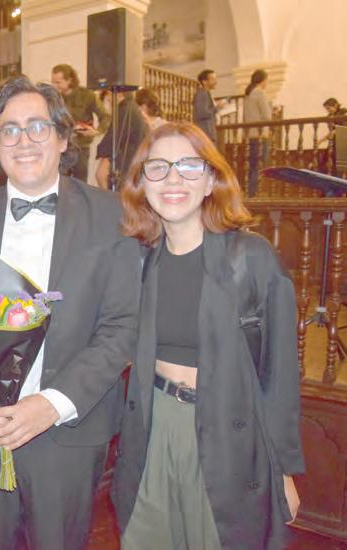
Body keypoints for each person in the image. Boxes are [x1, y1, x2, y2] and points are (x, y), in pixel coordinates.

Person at [0, 74, 140, 550]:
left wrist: (50, 404)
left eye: (38, 127)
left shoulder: (112, 216)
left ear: (64, 138)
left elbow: (121, 327)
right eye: (9, 130)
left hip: (67, 432)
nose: (24, 140)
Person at [113, 121, 304, 549]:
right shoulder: (140, 260)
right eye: (158, 167)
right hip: (153, 428)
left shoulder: (251, 257)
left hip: (226, 432)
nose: (173, 179)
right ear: (142, 184)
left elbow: (280, 376)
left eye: (189, 165)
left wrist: (283, 471)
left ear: (211, 180)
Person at [51, 63, 110, 182]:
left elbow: (105, 116)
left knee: (80, 183)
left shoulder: (87, 95)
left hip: (81, 148)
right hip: (61, 147)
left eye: (58, 82)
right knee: (60, 182)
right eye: (53, 82)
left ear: (69, 80)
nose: (54, 86)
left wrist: (97, 131)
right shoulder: (54, 98)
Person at [96, 91, 149, 191]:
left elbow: (112, 137)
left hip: (125, 163)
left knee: (106, 183)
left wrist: (104, 156)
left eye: (110, 97)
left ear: (119, 95)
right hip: (133, 161)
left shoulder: (124, 109)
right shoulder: (132, 108)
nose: (109, 100)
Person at [243, 69, 272, 197]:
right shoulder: (259, 92)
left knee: (253, 164)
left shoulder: (248, 94)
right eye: (267, 80)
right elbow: (267, 116)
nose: (267, 83)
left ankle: (251, 192)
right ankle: (256, 192)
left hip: (251, 133)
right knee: (260, 163)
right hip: (260, 134)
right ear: (262, 80)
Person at [193, 69, 223, 143]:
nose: (216, 82)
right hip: (206, 133)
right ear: (204, 81)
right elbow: (202, 113)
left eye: (215, 79)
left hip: (209, 132)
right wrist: (217, 108)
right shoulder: (202, 94)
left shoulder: (206, 93)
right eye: (212, 79)